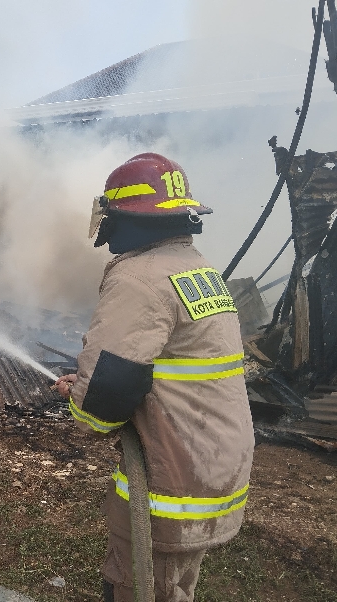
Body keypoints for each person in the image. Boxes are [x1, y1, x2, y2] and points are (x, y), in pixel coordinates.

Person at [55, 153, 254, 602]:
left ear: (125, 217)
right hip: (213, 465)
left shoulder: (139, 277)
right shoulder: (195, 267)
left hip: (170, 478)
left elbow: (109, 390)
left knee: (139, 588)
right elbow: (161, 366)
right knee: (175, 586)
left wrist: (81, 403)